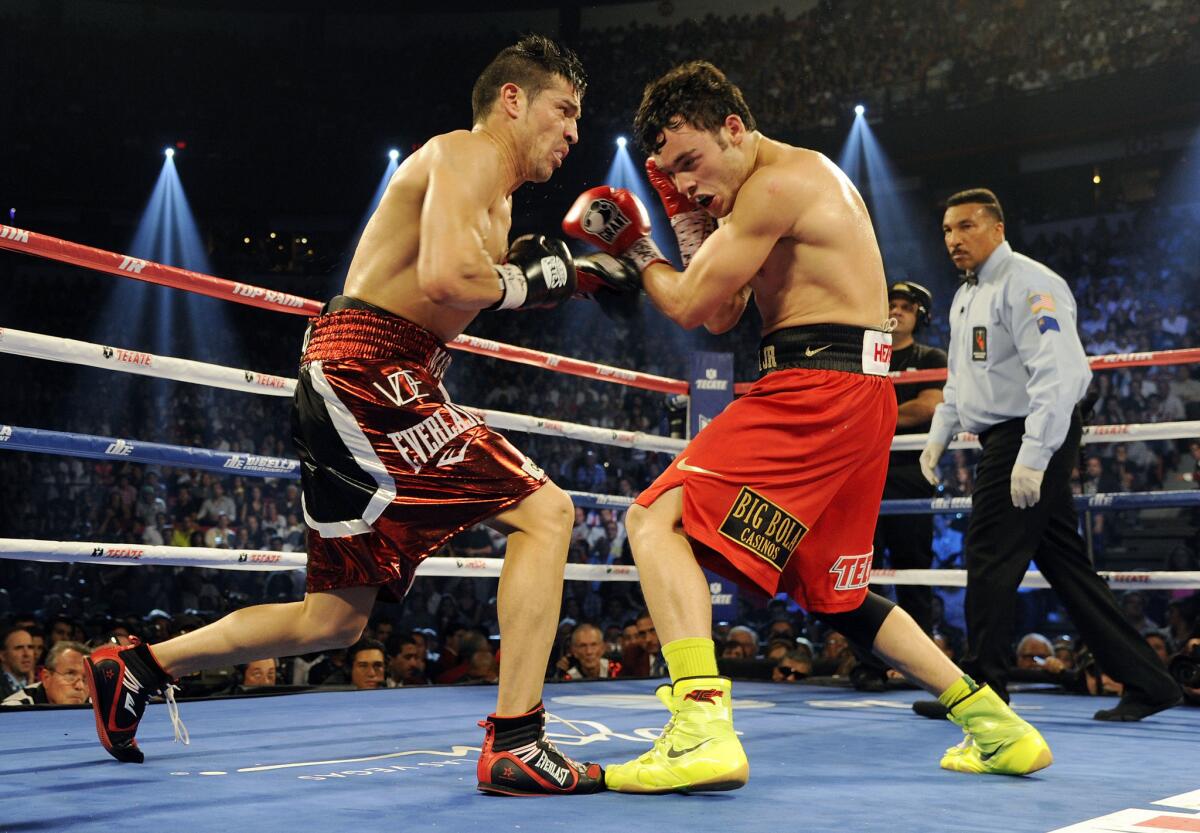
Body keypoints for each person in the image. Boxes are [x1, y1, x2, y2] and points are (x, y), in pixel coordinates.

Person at [84, 34, 604, 797]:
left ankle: (136, 664)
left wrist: (553, 272)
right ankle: (518, 740)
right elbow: (444, 274)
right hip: (371, 371)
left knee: (332, 620)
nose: (573, 132)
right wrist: (532, 279)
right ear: (513, 100)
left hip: (375, 372)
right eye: (564, 110)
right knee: (546, 513)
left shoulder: (495, 196)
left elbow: (458, 289)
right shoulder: (467, 151)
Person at [561, 61, 1051, 792]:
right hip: (854, 394)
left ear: (735, 127)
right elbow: (725, 312)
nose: (687, 183)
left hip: (814, 389)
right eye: (671, 174)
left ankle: (699, 726)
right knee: (838, 595)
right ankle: (995, 725)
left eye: (690, 162)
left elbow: (692, 304)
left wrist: (635, 248)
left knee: (653, 517)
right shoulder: (764, 192)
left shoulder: (777, 184)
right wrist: (689, 219)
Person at [918, 187, 1181, 722]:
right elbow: (963, 376)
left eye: (966, 227)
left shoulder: (1031, 283)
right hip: (1003, 435)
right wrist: (939, 434)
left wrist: (1034, 455)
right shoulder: (966, 295)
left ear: (997, 229)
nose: (953, 239)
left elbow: (1060, 376)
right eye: (947, 230)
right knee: (1067, 569)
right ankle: (1150, 683)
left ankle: (983, 689)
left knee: (989, 555)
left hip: (1031, 433)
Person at [851, 281, 947, 691]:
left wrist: (874, 411)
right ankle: (868, 666)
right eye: (892, 303)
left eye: (907, 306)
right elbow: (847, 401)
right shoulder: (863, 355)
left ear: (919, 316)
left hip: (909, 474)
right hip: (861, 472)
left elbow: (929, 407)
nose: (898, 310)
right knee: (859, 575)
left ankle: (919, 671)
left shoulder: (930, 357)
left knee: (913, 573)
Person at [3, 641, 90, 706]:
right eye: (70, 674)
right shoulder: (14, 711)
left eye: (86, 679)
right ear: (46, 678)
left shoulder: (99, 709)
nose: (80, 686)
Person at [556, 623, 622, 680]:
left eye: (594, 645)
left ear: (602, 648)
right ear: (574, 651)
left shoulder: (618, 671)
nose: (589, 652)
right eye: (582, 646)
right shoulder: (567, 679)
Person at [0, 627, 36, 700]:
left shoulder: (41, 686)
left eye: (30, 647)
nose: (26, 654)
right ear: (3, 655)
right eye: (19, 648)